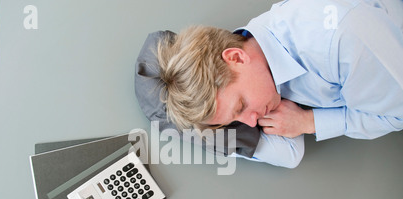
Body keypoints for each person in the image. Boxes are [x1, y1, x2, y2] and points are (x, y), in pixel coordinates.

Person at [153, 0, 403, 168]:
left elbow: (397, 114)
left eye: (240, 106)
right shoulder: (256, 48)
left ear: (236, 58)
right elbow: (289, 155)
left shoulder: (342, 45)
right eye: (237, 118)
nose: (251, 122)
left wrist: (309, 122)